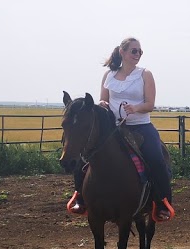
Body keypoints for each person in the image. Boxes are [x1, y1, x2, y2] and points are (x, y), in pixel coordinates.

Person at [67, 37, 175, 222]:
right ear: (122, 52)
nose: (138, 54)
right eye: (134, 51)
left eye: (140, 51)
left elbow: (150, 104)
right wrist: (103, 103)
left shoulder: (145, 74)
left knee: (157, 159)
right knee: (84, 156)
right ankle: (80, 197)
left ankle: (162, 202)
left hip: (141, 127)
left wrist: (136, 108)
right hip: (114, 127)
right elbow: (104, 100)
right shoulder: (109, 75)